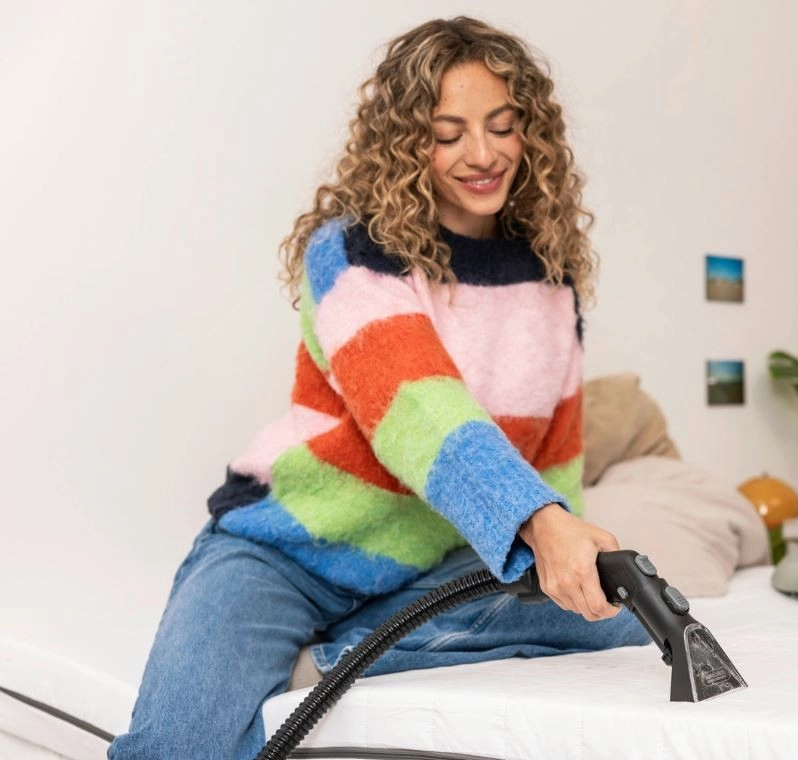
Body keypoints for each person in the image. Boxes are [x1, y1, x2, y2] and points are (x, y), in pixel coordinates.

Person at [108, 16, 648, 759]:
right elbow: (420, 410)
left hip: (433, 570)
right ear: (405, 142)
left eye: (501, 126)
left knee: (617, 618)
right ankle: (358, 645)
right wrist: (540, 522)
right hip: (290, 554)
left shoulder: (550, 284)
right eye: (448, 134)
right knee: (179, 744)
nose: (482, 154)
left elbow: (552, 458)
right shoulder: (354, 251)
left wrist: (565, 551)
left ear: (531, 131)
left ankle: (339, 656)